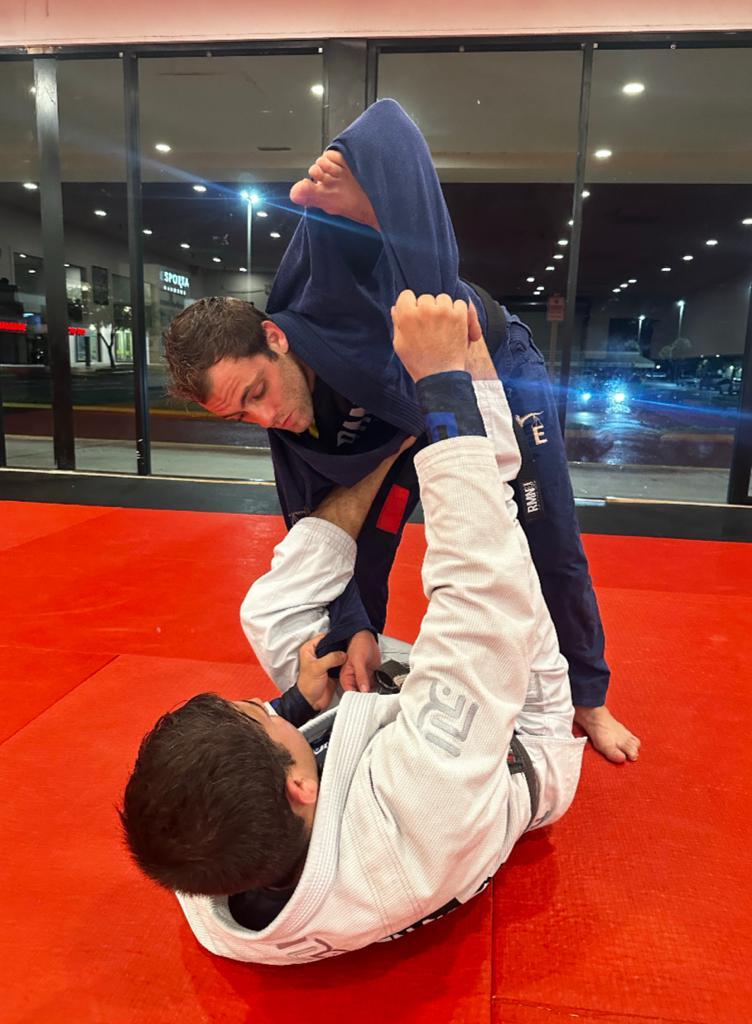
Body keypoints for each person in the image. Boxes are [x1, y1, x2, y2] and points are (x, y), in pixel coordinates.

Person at [164, 99, 639, 764]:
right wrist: (353, 628)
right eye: (241, 416)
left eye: (257, 393)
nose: (266, 419)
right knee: (358, 542)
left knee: (543, 529)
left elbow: (386, 125)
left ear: (274, 338)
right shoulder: (290, 430)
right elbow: (324, 539)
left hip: (487, 364)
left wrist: (361, 191)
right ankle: (368, 678)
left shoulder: (324, 297)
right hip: (405, 424)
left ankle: (587, 696)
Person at [121, 291, 587, 964]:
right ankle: (465, 401)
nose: (264, 703)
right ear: (299, 785)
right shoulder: (425, 788)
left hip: (358, 778)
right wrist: (445, 388)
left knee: (269, 613)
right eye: (263, 716)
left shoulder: (210, 875)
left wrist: (295, 707)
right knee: (494, 568)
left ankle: (382, 460)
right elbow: (482, 593)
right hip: (517, 743)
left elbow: (212, 798)